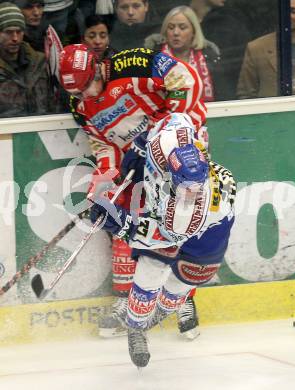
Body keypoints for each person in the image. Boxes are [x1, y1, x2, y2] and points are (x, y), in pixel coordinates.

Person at [58, 44, 207, 338]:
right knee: (125, 226)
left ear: (98, 67)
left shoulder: (133, 62)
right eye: (77, 92)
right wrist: (104, 180)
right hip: (136, 164)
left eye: (87, 86)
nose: (85, 95)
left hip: (179, 151)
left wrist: (168, 129)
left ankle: (183, 300)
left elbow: (184, 78)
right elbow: (104, 145)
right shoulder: (80, 106)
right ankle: (126, 300)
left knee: (178, 225)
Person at [90, 112, 236, 368]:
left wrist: (116, 219)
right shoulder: (167, 143)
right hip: (166, 214)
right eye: (187, 188)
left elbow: (155, 237)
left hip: (208, 236)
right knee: (150, 272)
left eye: (195, 189)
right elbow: (177, 118)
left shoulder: (197, 206)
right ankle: (136, 327)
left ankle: (154, 317)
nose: (192, 193)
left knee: (176, 290)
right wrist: (139, 149)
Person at [237, 0, 295, 98]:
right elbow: (245, 94)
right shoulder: (256, 48)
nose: (288, 15)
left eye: (293, 11)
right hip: (270, 112)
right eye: (284, 11)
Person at [144, 5, 225, 101]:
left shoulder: (209, 56)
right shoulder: (152, 55)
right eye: (171, 27)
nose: (176, 32)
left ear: (194, 31)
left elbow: (223, 94)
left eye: (182, 28)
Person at [0, 1, 56, 117]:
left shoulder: (39, 61)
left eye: (19, 32)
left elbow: (53, 104)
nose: (15, 38)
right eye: (8, 32)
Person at [191, 0, 250, 100]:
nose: (176, 32)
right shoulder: (177, 19)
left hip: (222, 98)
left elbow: (240, 63)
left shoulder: (230, 22)